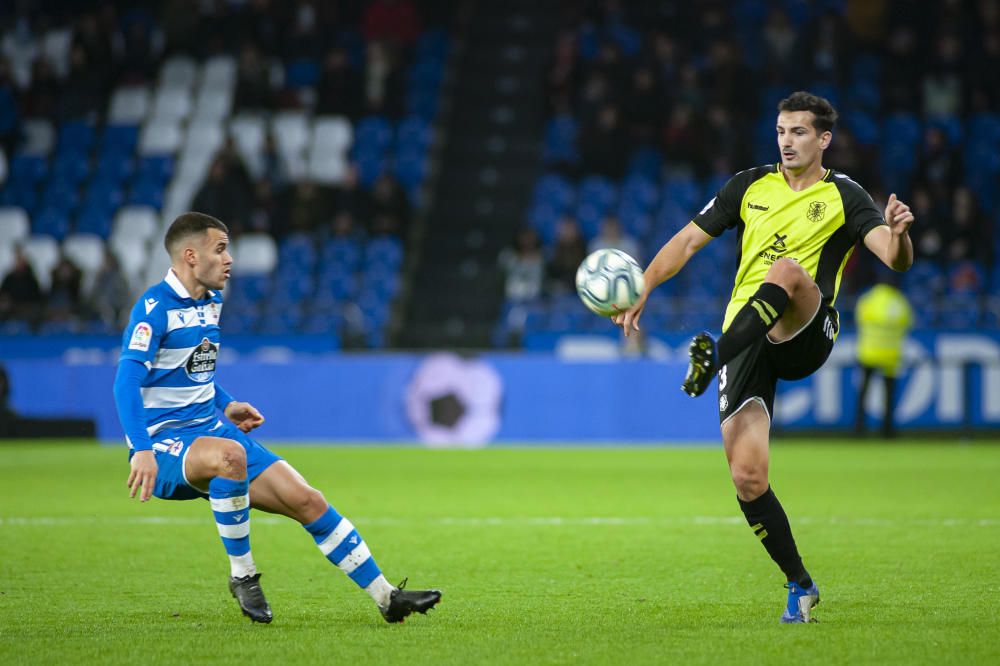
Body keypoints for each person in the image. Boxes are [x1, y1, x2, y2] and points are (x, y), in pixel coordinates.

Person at [614, 92, 915, 623]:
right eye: (781, 131)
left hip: (806, 328)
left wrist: (902, 234)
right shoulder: (749, 185)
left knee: (788, 271)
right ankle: (800, 585)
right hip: (748, 335)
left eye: (799, 132)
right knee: (748, 477)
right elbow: (686, 242)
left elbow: (893, 257)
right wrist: (643, 286)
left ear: (823, 139)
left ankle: (710, 358)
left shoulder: (845, 194)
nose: (787, 141)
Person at [112, 212, 441, 624]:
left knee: (308, 500)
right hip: (164, 441)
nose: (230, 259)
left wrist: (226, 403)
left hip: (210, 429)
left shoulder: (211, 302)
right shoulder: (154, 309)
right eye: (220, 249)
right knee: (230, 455)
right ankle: (243, 576)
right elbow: (125, 383)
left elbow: (192, 372)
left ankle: (387, 598)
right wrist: (141, 449)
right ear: (191, 256)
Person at [854, 281, 913, 438]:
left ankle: (859, 429)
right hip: (891, 356)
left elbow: (859, 318)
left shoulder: (868, 299)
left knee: (864, 393)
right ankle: (887, 430)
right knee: (889, 395)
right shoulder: (900, 302)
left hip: (869, 353)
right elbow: (908, 322)